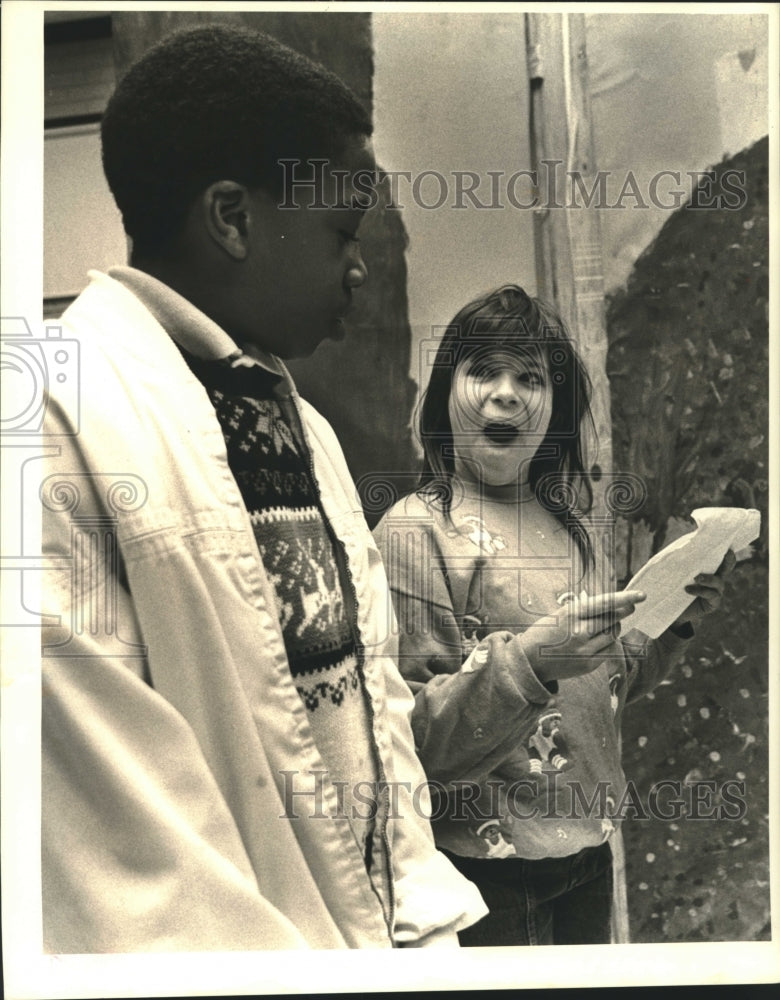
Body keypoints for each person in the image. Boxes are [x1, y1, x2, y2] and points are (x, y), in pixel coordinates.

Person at [40, 24, 487, 952]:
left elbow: (373, 716)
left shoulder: (299, 427)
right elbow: (136, 876)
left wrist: (419, 928)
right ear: (233, 218)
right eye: (340, 232)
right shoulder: (53, 429)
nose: (358, 268)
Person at [373, 284, 733, 946]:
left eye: (530, 377)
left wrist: (675, 618)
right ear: (443, 394)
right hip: (488, 876)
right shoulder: (416, 532)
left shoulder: (568, 528)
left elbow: (600, 686)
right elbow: (413, 744)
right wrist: (533, 661)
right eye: (483, 370)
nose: (506, 392)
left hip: (587, 857)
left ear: (555, 408)